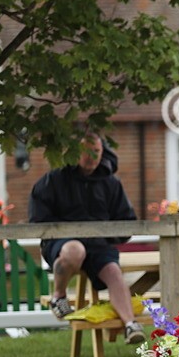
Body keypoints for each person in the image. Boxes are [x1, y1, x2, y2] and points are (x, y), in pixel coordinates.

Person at [30, 133, 145, 344]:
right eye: (86, 151)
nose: (91, 157)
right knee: (75, 250)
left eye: (97, 152)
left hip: (98, 246)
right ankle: (59, 296)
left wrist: (107, 236)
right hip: (62, 244)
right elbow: (38, 220)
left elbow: (126, 221)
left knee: (113, 271)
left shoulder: (111, 182)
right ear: (75, 152)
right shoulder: (53, 180)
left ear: (103, 153)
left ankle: (130, 325)